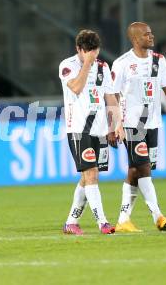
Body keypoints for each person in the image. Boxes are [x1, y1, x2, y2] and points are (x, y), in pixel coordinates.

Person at [111, 22, 166, 232]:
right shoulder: (122, 64)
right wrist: (115, 125)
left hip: (153, 123)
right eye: (147, 34)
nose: (151, 36)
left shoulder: (159, 61)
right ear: (135, 39)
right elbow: (112, 95)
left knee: (135, 170)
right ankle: (158, 215)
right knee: (144, 168)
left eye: (151, 33)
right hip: (132, 124)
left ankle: (123, 219)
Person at [59, 29, 124, 235]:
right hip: (78, 130)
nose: (92, 54)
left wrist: (116, 125)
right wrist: (87, 63)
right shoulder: (67, 66)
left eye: (94, 50)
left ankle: (71, 222)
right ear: (78, 49)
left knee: (88, 177)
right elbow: (76, 88)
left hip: (99, 130)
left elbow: (111, 98)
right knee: (91, 174)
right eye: (87, 50)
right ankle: (103, 223)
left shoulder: (103, 67)